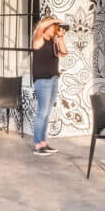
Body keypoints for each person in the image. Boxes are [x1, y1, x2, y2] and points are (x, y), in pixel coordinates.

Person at [31, 15, 67, 156]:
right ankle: (37, 145)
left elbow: (63, 53)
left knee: (46, 113)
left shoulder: (53, 42)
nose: (55, 28)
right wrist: (56, 20)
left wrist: (61, 37)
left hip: (53, 79)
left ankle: (43, 143)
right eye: (53, 26)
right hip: (42, 80)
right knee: (42, 112)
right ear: (46, 27)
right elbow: (40, 27)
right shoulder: (38, 40)